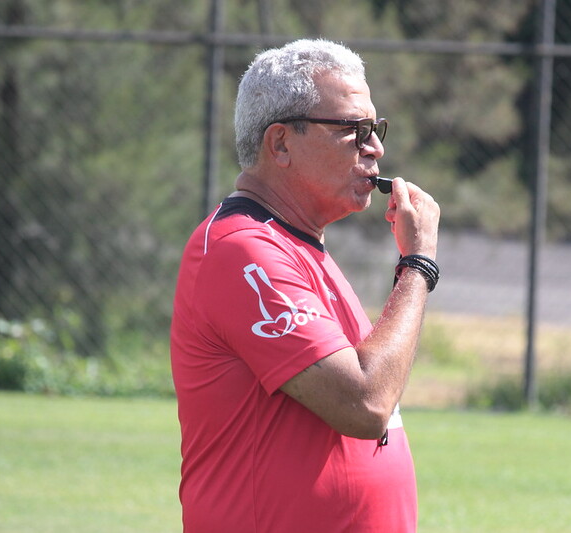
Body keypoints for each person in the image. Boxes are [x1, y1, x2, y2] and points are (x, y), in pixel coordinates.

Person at [170, 38, 440, 532]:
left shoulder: (298, 246)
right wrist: (417, 265)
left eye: (374, 129)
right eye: (352, 130)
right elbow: (364, 404)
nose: (375, 146)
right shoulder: (243, 251)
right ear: (280, 144)